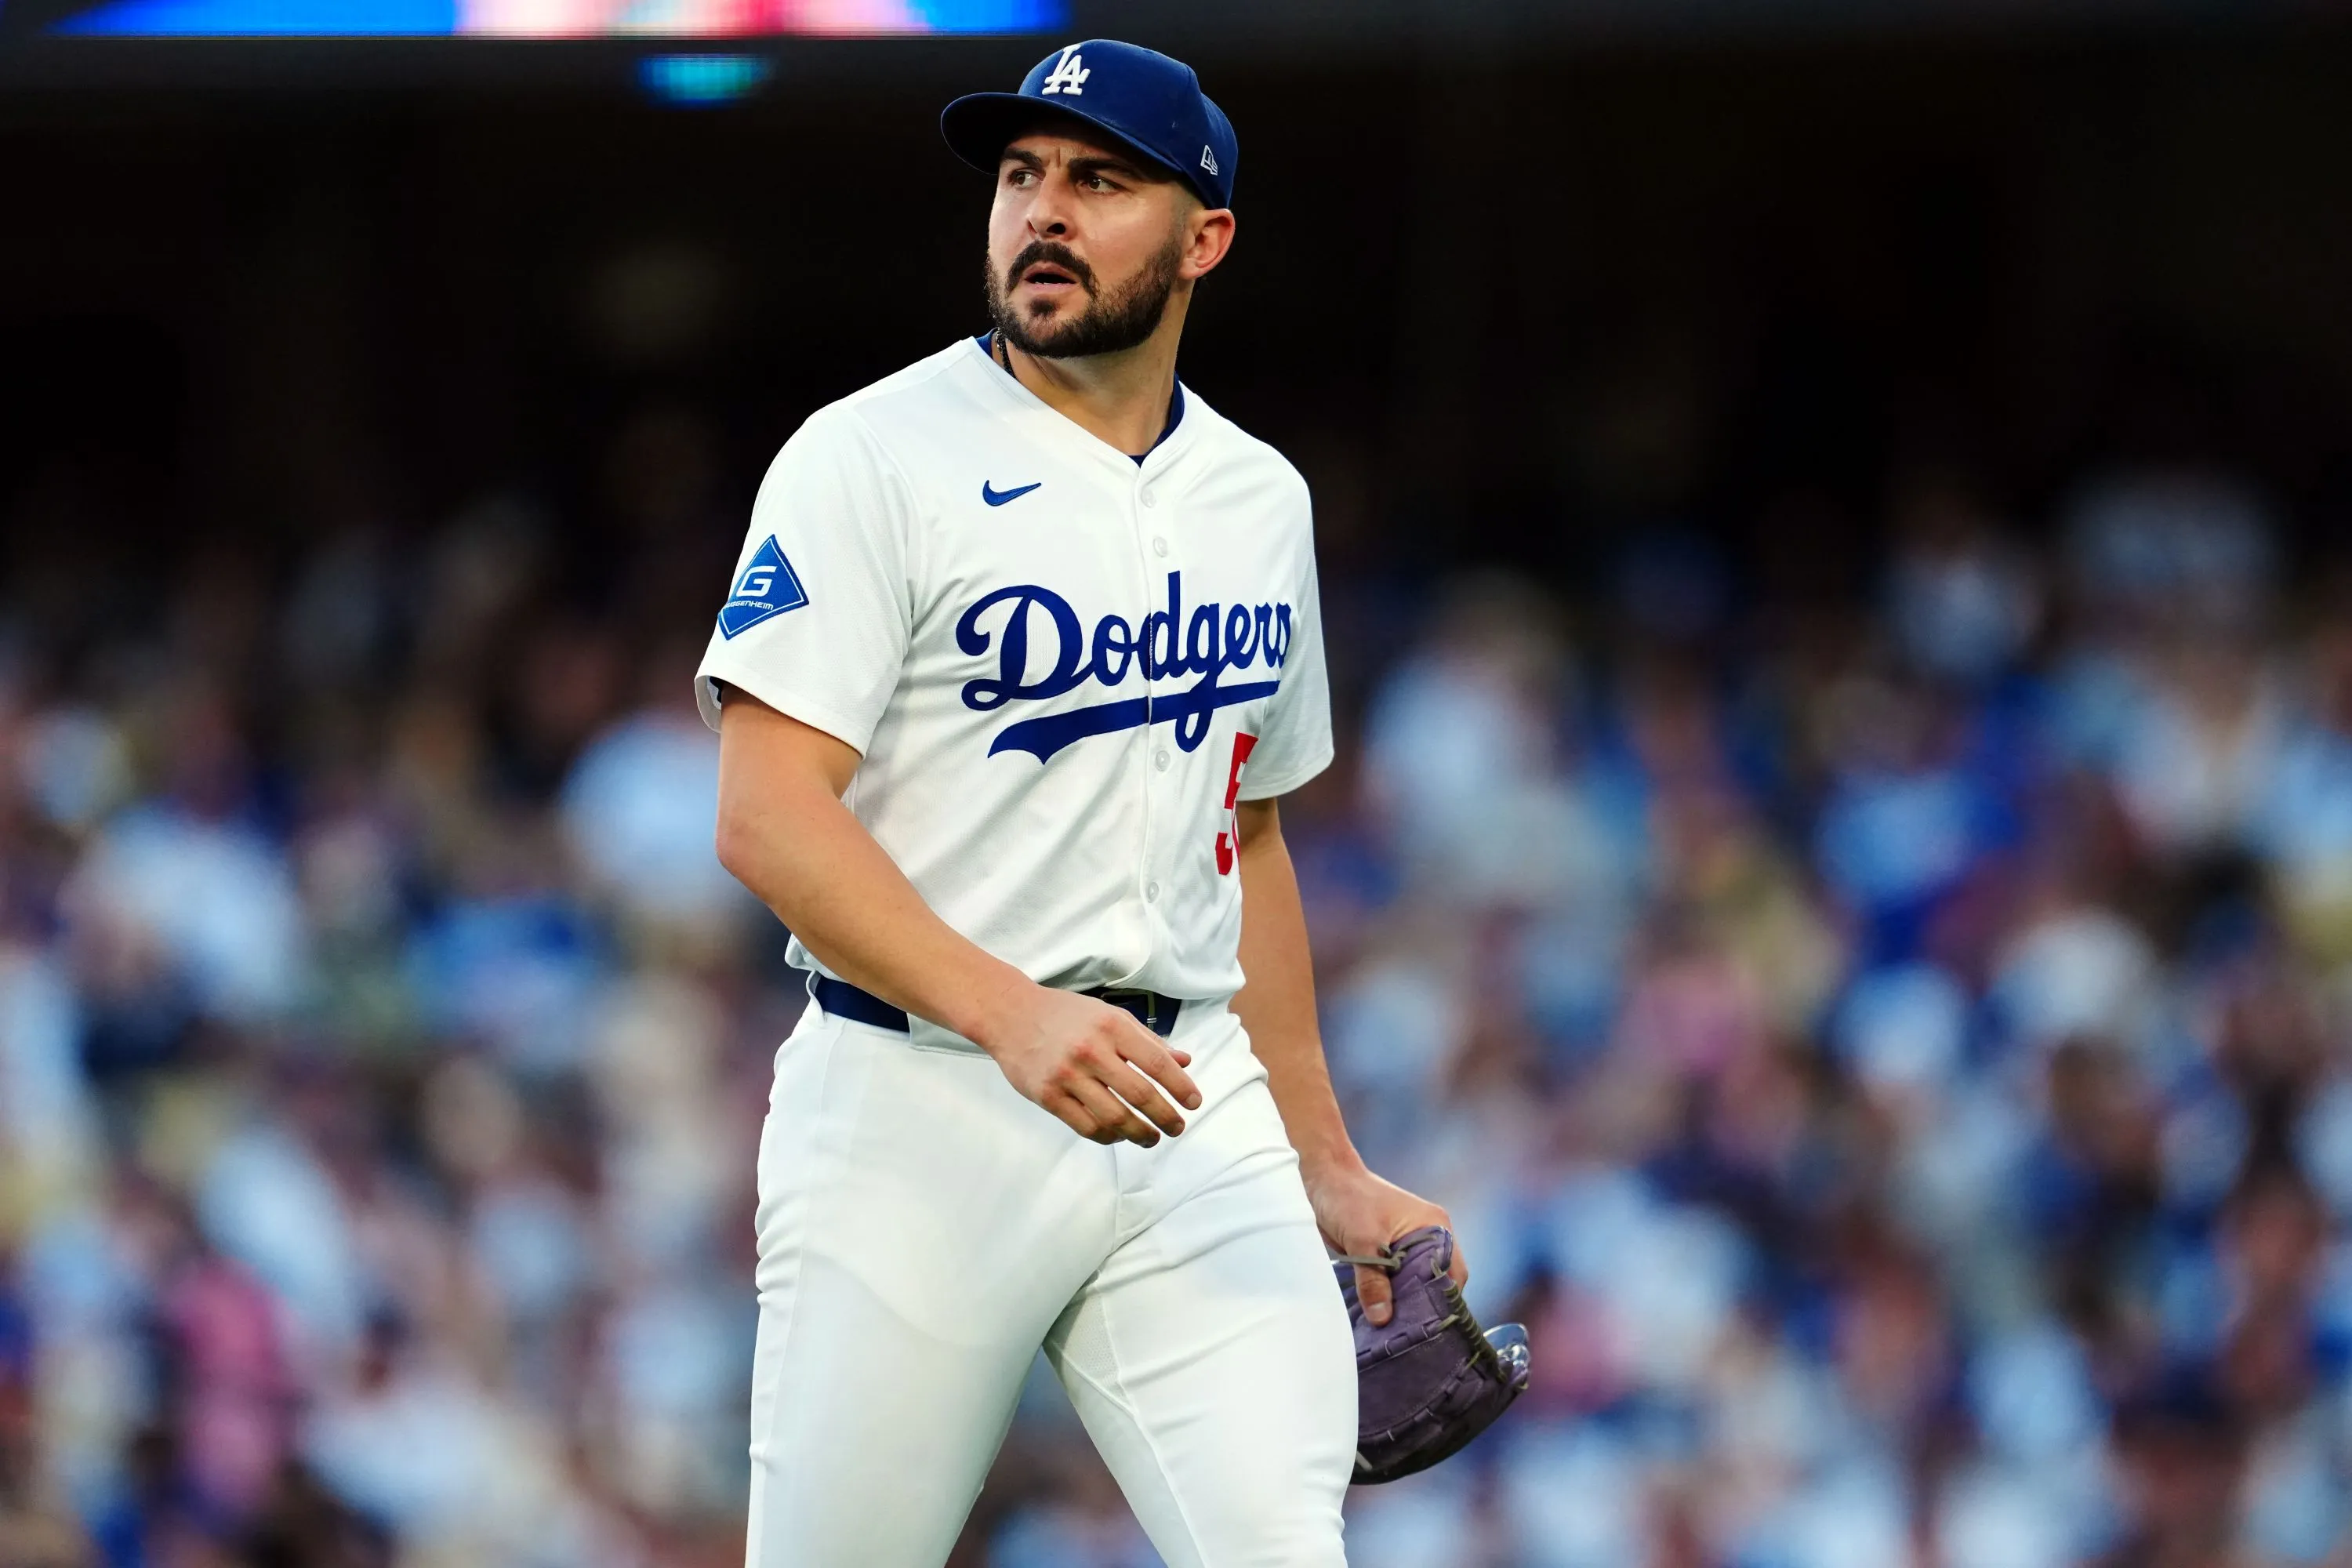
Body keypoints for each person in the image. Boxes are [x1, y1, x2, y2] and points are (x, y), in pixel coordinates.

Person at [699, 39, 1465, 1566]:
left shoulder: (1260, 497)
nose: (1042, 212)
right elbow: (766, 816)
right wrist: (1009, 1012)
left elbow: (1243, 832)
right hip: (917, 1094)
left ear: (1205, 239)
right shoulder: (868, 458)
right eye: (1020, 175)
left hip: (1191, 1103)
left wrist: (1319, 1153)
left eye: (1100, 180)